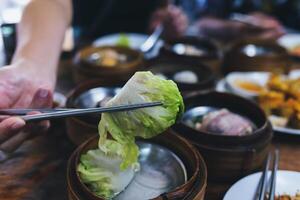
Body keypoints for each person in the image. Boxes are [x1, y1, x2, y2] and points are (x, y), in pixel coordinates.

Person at [0, 0, 188, 154]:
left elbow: (165, 10)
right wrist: (31, 68)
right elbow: (53, 3)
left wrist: (165, 26)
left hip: (150, 58)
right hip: (83, 61)